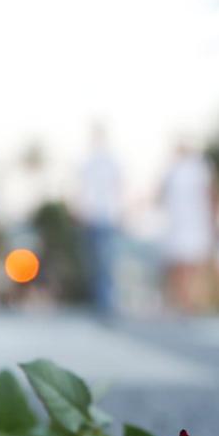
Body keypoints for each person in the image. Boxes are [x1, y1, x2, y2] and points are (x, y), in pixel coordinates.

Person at [159, 141, 217, 313]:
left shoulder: (200, 168)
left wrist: (213, 216)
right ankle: (184, 301)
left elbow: (212, 192)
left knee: (195, 264)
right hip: (178, 224)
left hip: (196, 222)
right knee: (180, 265)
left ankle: (193, 301)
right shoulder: (172, 169)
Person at [77, 124, 122, 317]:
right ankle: (98, 299)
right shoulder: (88, 162)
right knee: (94, 260)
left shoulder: (111, 161)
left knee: (105, 259)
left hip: (107, 216)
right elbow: (82, 188)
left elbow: (117, 187)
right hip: (91, 216)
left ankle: (106, 300)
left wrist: (118, 211)